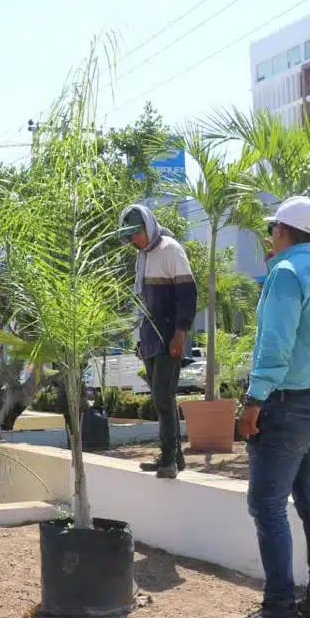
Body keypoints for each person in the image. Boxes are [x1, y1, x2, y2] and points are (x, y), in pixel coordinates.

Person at [230, 196, 310, 618]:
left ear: (282, 231)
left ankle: (279, 608)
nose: (269, 237)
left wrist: (253, 401)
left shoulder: (285, 274)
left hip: (289, 402)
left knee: (266, 504)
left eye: (272, 230)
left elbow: (275, 346)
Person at [118, 204, 198, 479]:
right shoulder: (143, 257)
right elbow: (142, 303)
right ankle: (174, 456)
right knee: (159, 398)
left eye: (136, 233)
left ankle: (168, 460)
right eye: (129, 236)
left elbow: (187, 293)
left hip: (168, 336)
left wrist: (181, 332)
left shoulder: (170, 249)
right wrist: (138, 338)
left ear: (148, 227)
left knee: (164, 397)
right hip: (150, 336)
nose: (133, 240)